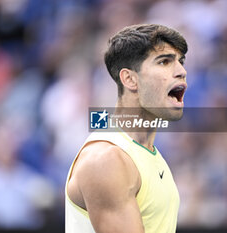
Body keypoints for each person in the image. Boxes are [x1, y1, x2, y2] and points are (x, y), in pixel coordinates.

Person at [65, 24, 188, 233]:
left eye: (181, 61)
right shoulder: (106, 159)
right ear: (130, 79)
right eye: (165, 61)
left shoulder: (146, 154)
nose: (182, 71)